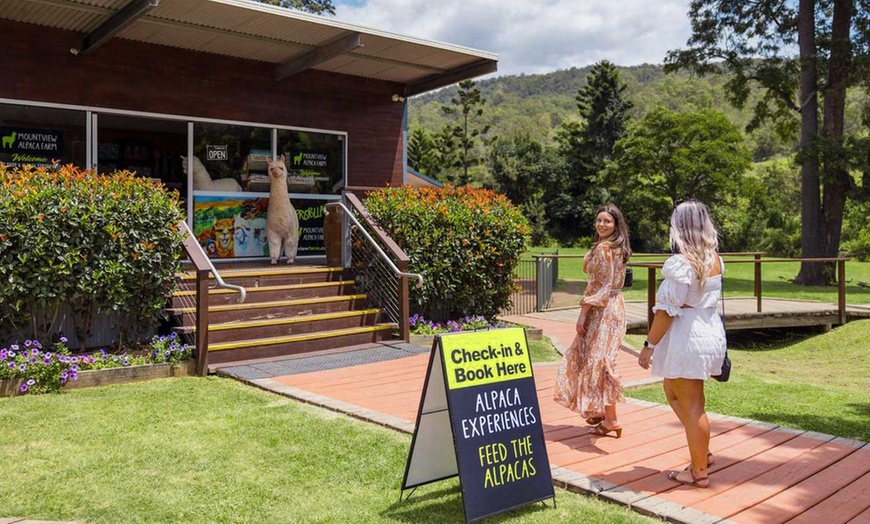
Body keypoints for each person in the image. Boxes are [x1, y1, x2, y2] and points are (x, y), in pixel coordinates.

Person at [637, 199, 727, 489]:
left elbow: (665, 312)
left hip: (688, 336)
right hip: (709, 331)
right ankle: (702, 449)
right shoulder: (714, 258)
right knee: (673, 392)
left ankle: (698, 470)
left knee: (692, 405)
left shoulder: (681, 264)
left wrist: (649, 344)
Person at [554, 203, 631, 438]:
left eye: (607, 221)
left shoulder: (605, 249)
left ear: (616, 224)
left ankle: (608, 417)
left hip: (603, 310)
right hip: (616, 307)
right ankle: (607, 417)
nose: (602, 224)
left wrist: (583, 313)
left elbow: (599, 286)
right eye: (599, 220)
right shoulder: (618, 248)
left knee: (596, 361)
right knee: (602, 361)